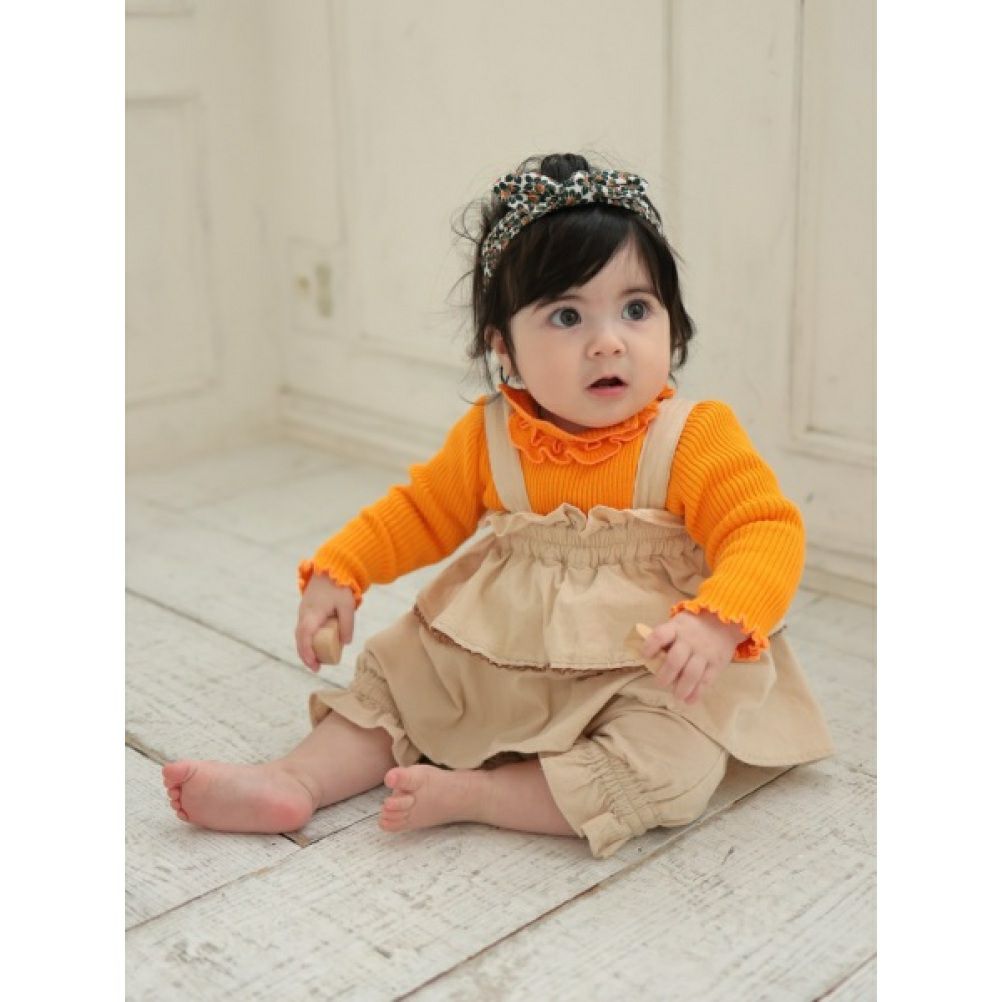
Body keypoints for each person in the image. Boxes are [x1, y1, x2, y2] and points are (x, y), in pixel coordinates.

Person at [163, 153, 834, 859]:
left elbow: (763, 528)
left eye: (636, 309)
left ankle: (483, 795)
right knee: (403, 683)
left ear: (673, 324)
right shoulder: (492, 437)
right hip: (504, 652)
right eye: (567, 315)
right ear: (504, 349)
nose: (609, 341)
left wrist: (717, 622)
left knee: (674, 763)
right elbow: (421, 511)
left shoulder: (691, 437)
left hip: (641, 669)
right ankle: (295, 779)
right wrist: (343, 568)